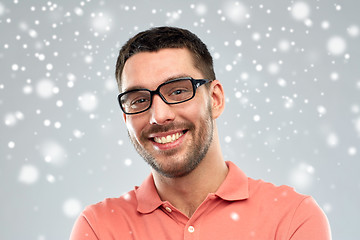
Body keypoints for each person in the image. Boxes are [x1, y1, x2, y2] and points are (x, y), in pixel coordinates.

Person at [70, 26, 331, 239]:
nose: (159, 116)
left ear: (215, 99)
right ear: (126, 117)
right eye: (139, 100)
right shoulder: (98, 228)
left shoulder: (292, 217)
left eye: (178, 91)